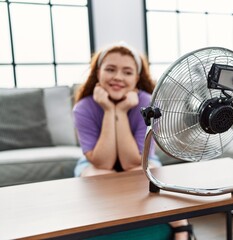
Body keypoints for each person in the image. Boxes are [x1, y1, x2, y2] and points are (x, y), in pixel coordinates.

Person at [72, 41, 195, 240]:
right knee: (97, 176)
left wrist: (120, 110)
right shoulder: (83, 108)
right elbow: (103, 162)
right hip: (95, 164)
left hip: (142, 161)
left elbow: (132, 162)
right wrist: (110, 110)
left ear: (137, 78)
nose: (118, 77)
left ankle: (181, 226)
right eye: (110, 69)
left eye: (127, 72)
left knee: (144, 175)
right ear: (98, 73)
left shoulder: (148, 104)